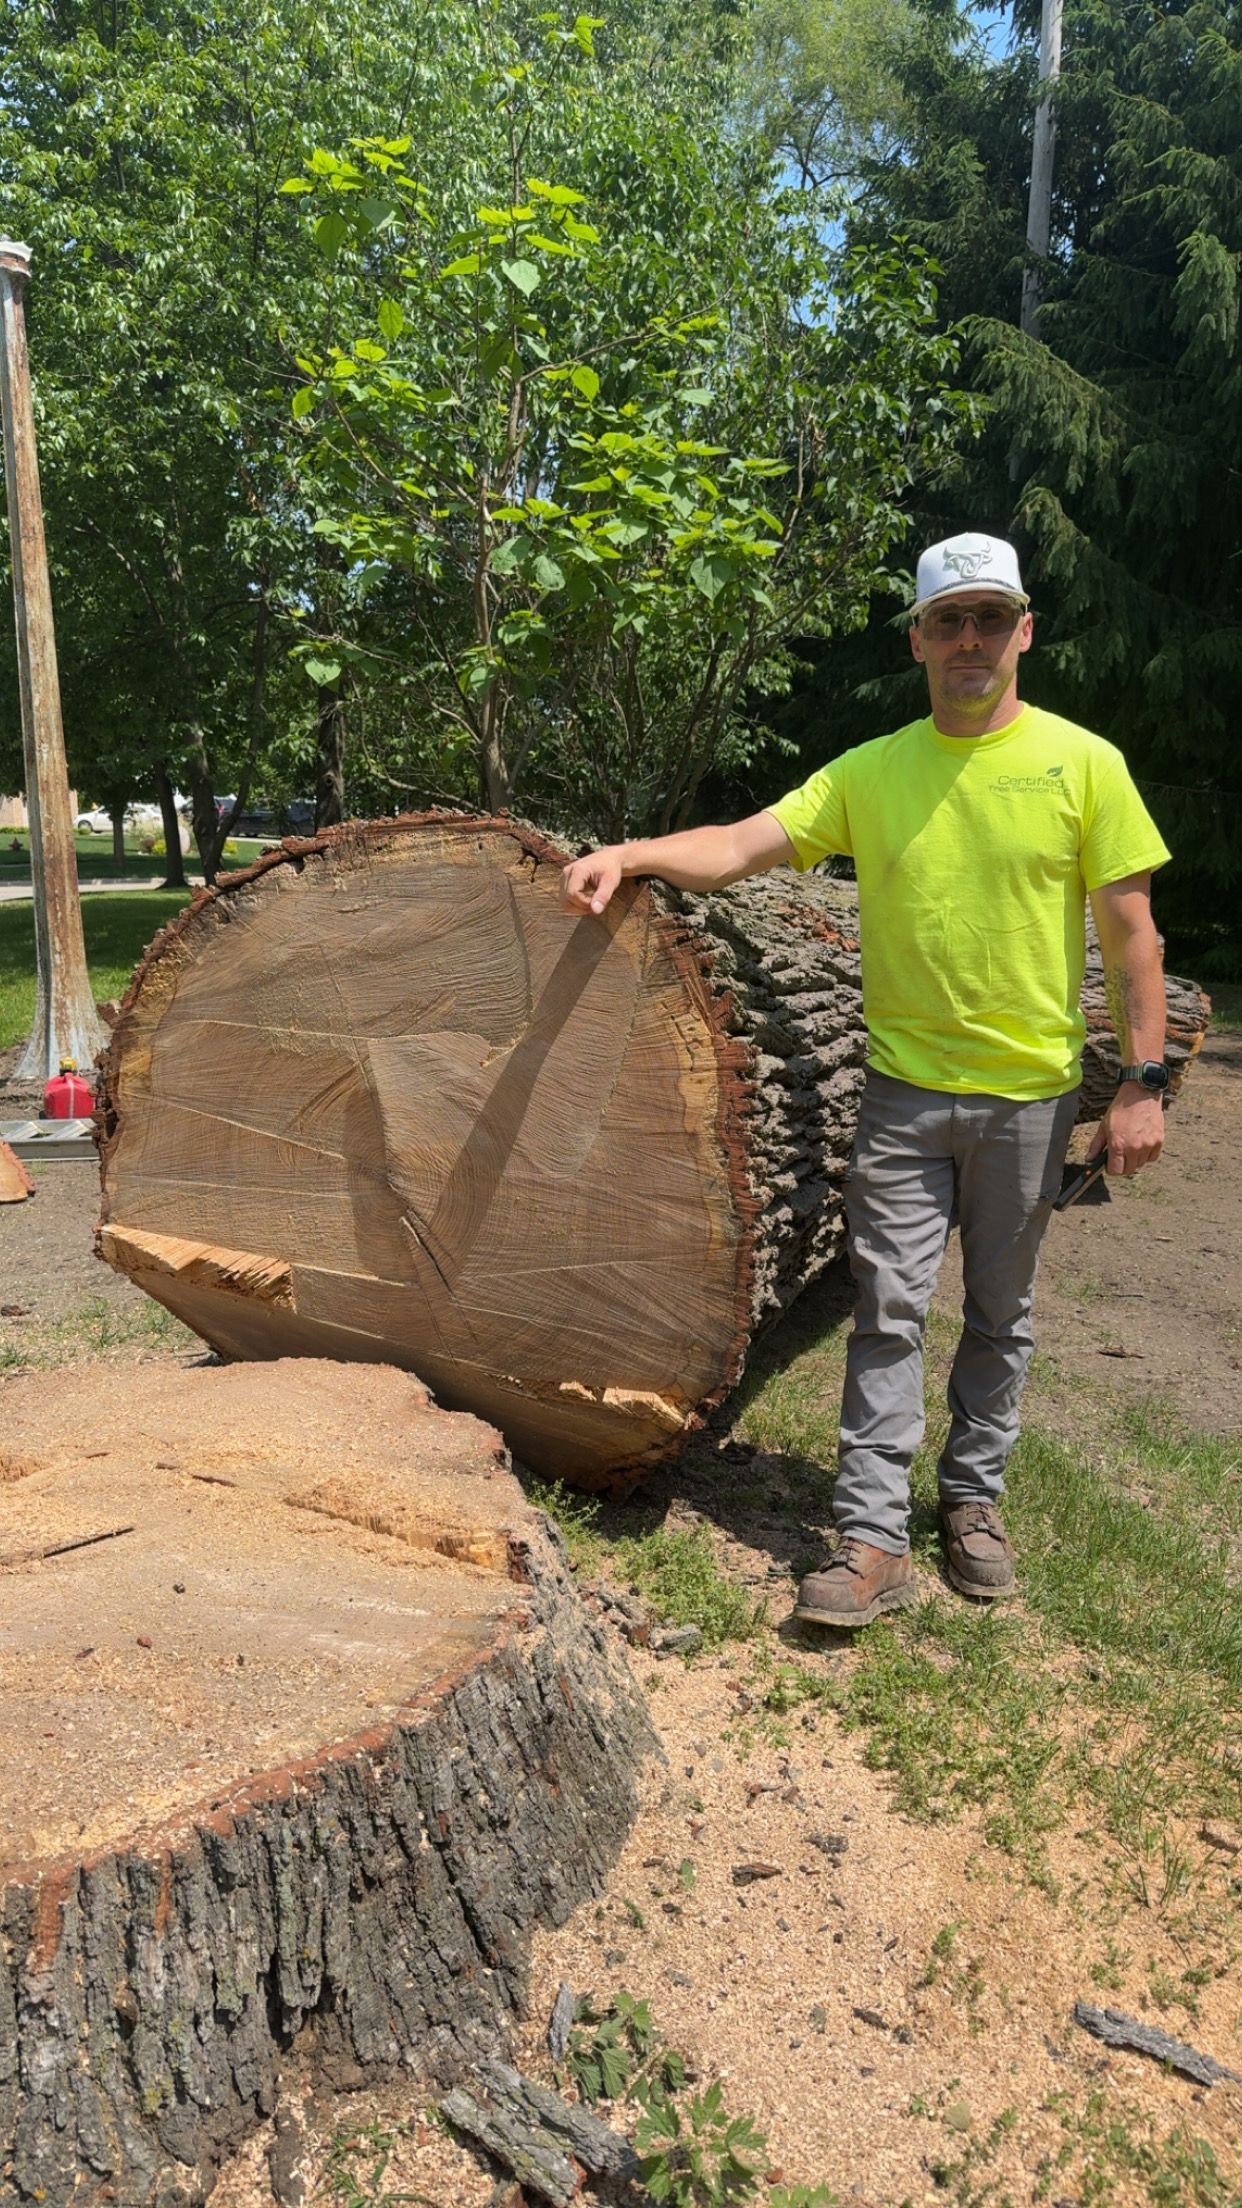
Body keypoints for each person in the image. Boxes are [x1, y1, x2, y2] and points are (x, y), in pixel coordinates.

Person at [560, 531, 1171, 1626]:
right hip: (898, 1096)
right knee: (888, 1310)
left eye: (991, 617)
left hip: (1029, 1099)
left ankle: (972, 1505)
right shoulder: (873, 771)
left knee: (1001, 1315)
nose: (971, 638)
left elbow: (1133, 937)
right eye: (950, 620)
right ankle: (873, 1536)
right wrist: (636, 853)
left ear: (1024, 630)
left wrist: (1141, 1083)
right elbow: (745, 845)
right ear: (919, 641)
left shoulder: (1086, 765)